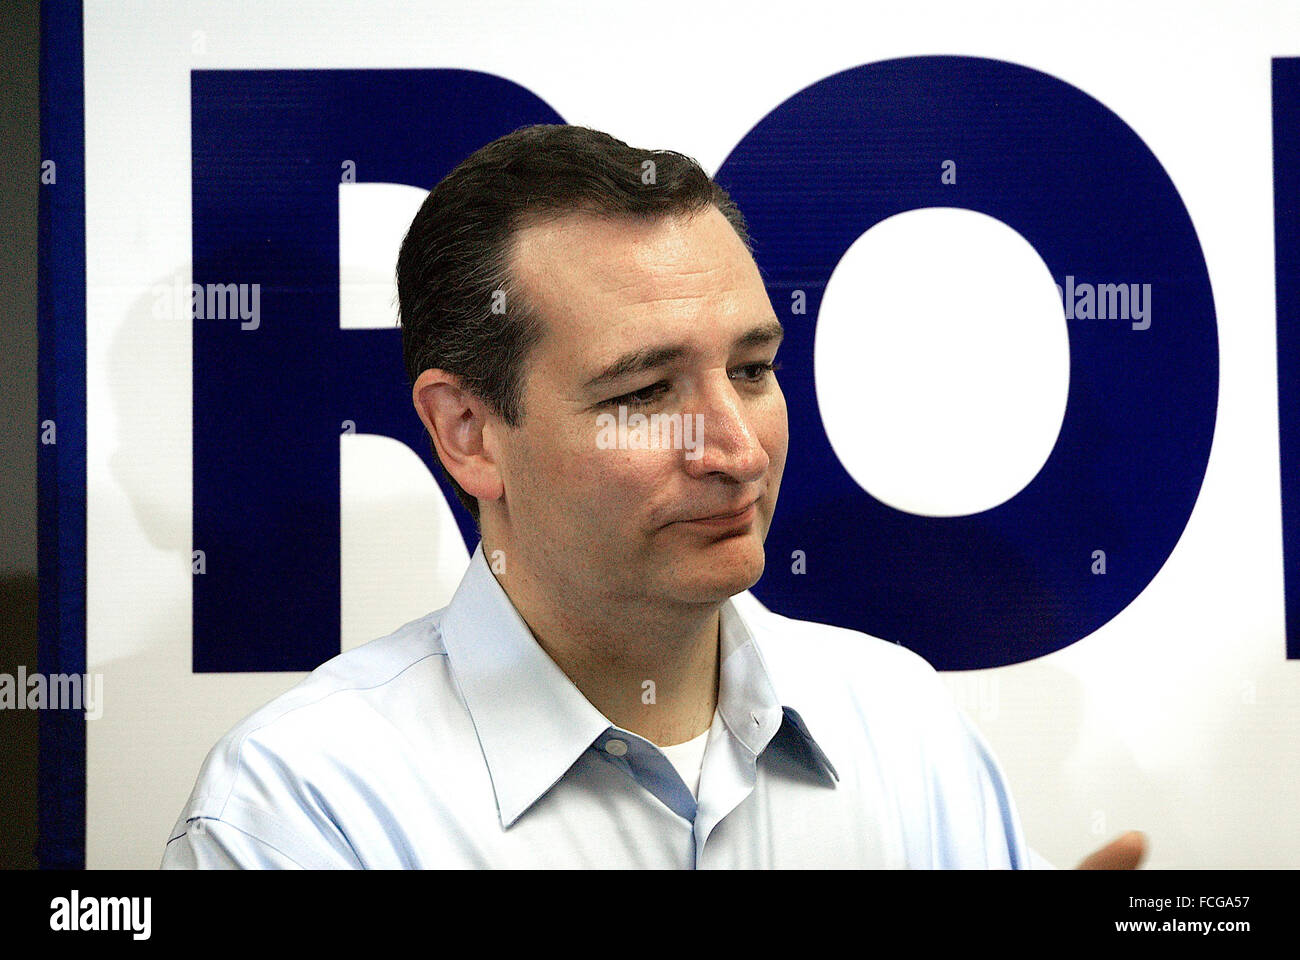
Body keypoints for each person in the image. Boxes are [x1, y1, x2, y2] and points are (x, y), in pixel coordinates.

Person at [161, 124, 1144, 869]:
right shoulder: (299, 810)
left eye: (752, 369)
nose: (734, 449)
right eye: (642, 393)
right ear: (467, 433)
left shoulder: (904, 729)